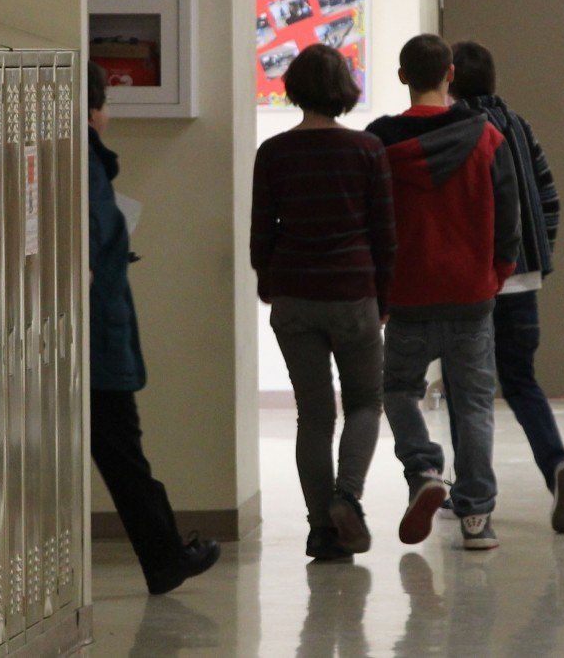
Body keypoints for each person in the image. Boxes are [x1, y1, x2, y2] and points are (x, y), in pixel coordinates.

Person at [367, 34, 520, 550]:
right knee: (473, 404)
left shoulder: (380, 144)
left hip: (408, 297)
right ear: (450, 74)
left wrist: (378, 289)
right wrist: (497, 273)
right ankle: (476, 519)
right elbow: (508, 215)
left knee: (397, 390)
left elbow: (371, 223)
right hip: (470, 294)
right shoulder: (487, 139)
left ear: (402, 76)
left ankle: (424, 468)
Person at [252, 44, 395, 561]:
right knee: (364, 402)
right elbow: (385, 234)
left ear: (293, 89)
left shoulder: (273, 152)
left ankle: (321, 531)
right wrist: (385, 296)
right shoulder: (367, 150)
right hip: (354, 290)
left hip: (294, 295)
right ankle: (347, 499)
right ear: (344, 89)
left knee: (312, 415)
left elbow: (261, 232)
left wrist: (270, 285)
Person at [87, 61, 220, 594]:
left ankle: (165, 556)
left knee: (121, 454)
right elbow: (92, 243)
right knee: (124, 454)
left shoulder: (75, 160)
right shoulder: (85, 162)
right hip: (94, 339)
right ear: (94, 110)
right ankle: (165, 558)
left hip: (86, 333)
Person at [444, 41, 564, 533]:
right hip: (522, 277)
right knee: (521, 380)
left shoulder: (453, 128)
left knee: (466, 388)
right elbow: (549, 199)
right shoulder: (519, 127)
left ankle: (469, 491)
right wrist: (537, 260)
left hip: (473, 282)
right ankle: (559, 464)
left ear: (450, 79)